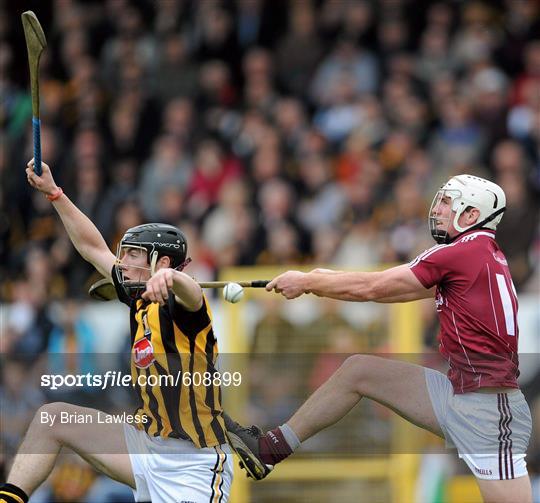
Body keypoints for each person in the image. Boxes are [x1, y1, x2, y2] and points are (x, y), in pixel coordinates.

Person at [226, 174, 533, 503]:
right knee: (359, 371)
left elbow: (375, 288)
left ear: (472, 214)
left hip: (488, 408)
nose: (439, 208)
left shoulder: (460, 253)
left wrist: (307, 282)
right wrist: (312, 278)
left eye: (448, 202)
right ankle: (270, 449)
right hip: (459, 392)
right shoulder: (477, 253)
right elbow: (376, 283)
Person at [1, 159, 237, 503]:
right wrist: (55, 194)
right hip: (145, 447)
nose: (121, 261)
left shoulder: (187, 308)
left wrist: (173, 281)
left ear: (163, 263)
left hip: (194, 466)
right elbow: (92, 247)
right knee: (51, 418)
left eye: (133, 255)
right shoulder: (139, 300)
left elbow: (193, 293)